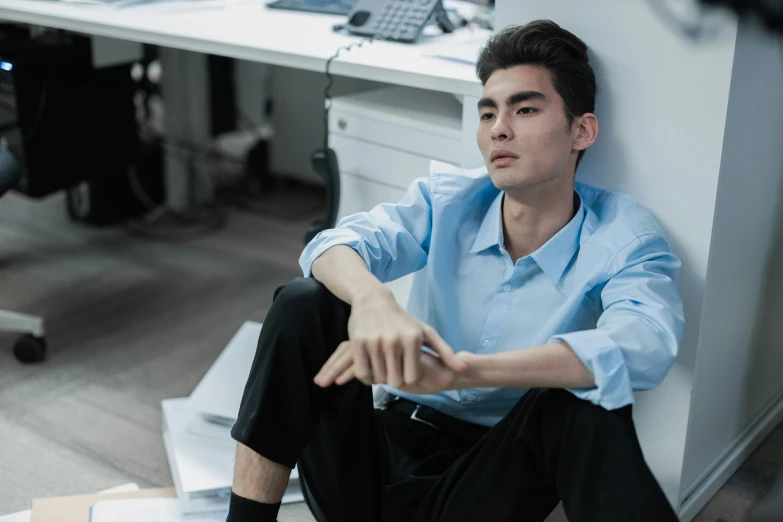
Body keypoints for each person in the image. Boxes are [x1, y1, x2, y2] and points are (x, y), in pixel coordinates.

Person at [227, 19, 685, 522]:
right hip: (368, 461)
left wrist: (462, 371)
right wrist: (374, 302)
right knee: (304, 301)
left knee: (585, 403)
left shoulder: (625, 236)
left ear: (582, 130)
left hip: (483, 483)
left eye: (525, 109)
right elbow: (332, 244)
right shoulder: (448, 200)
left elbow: (645, 343)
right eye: (488, 113)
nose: (498, 129)